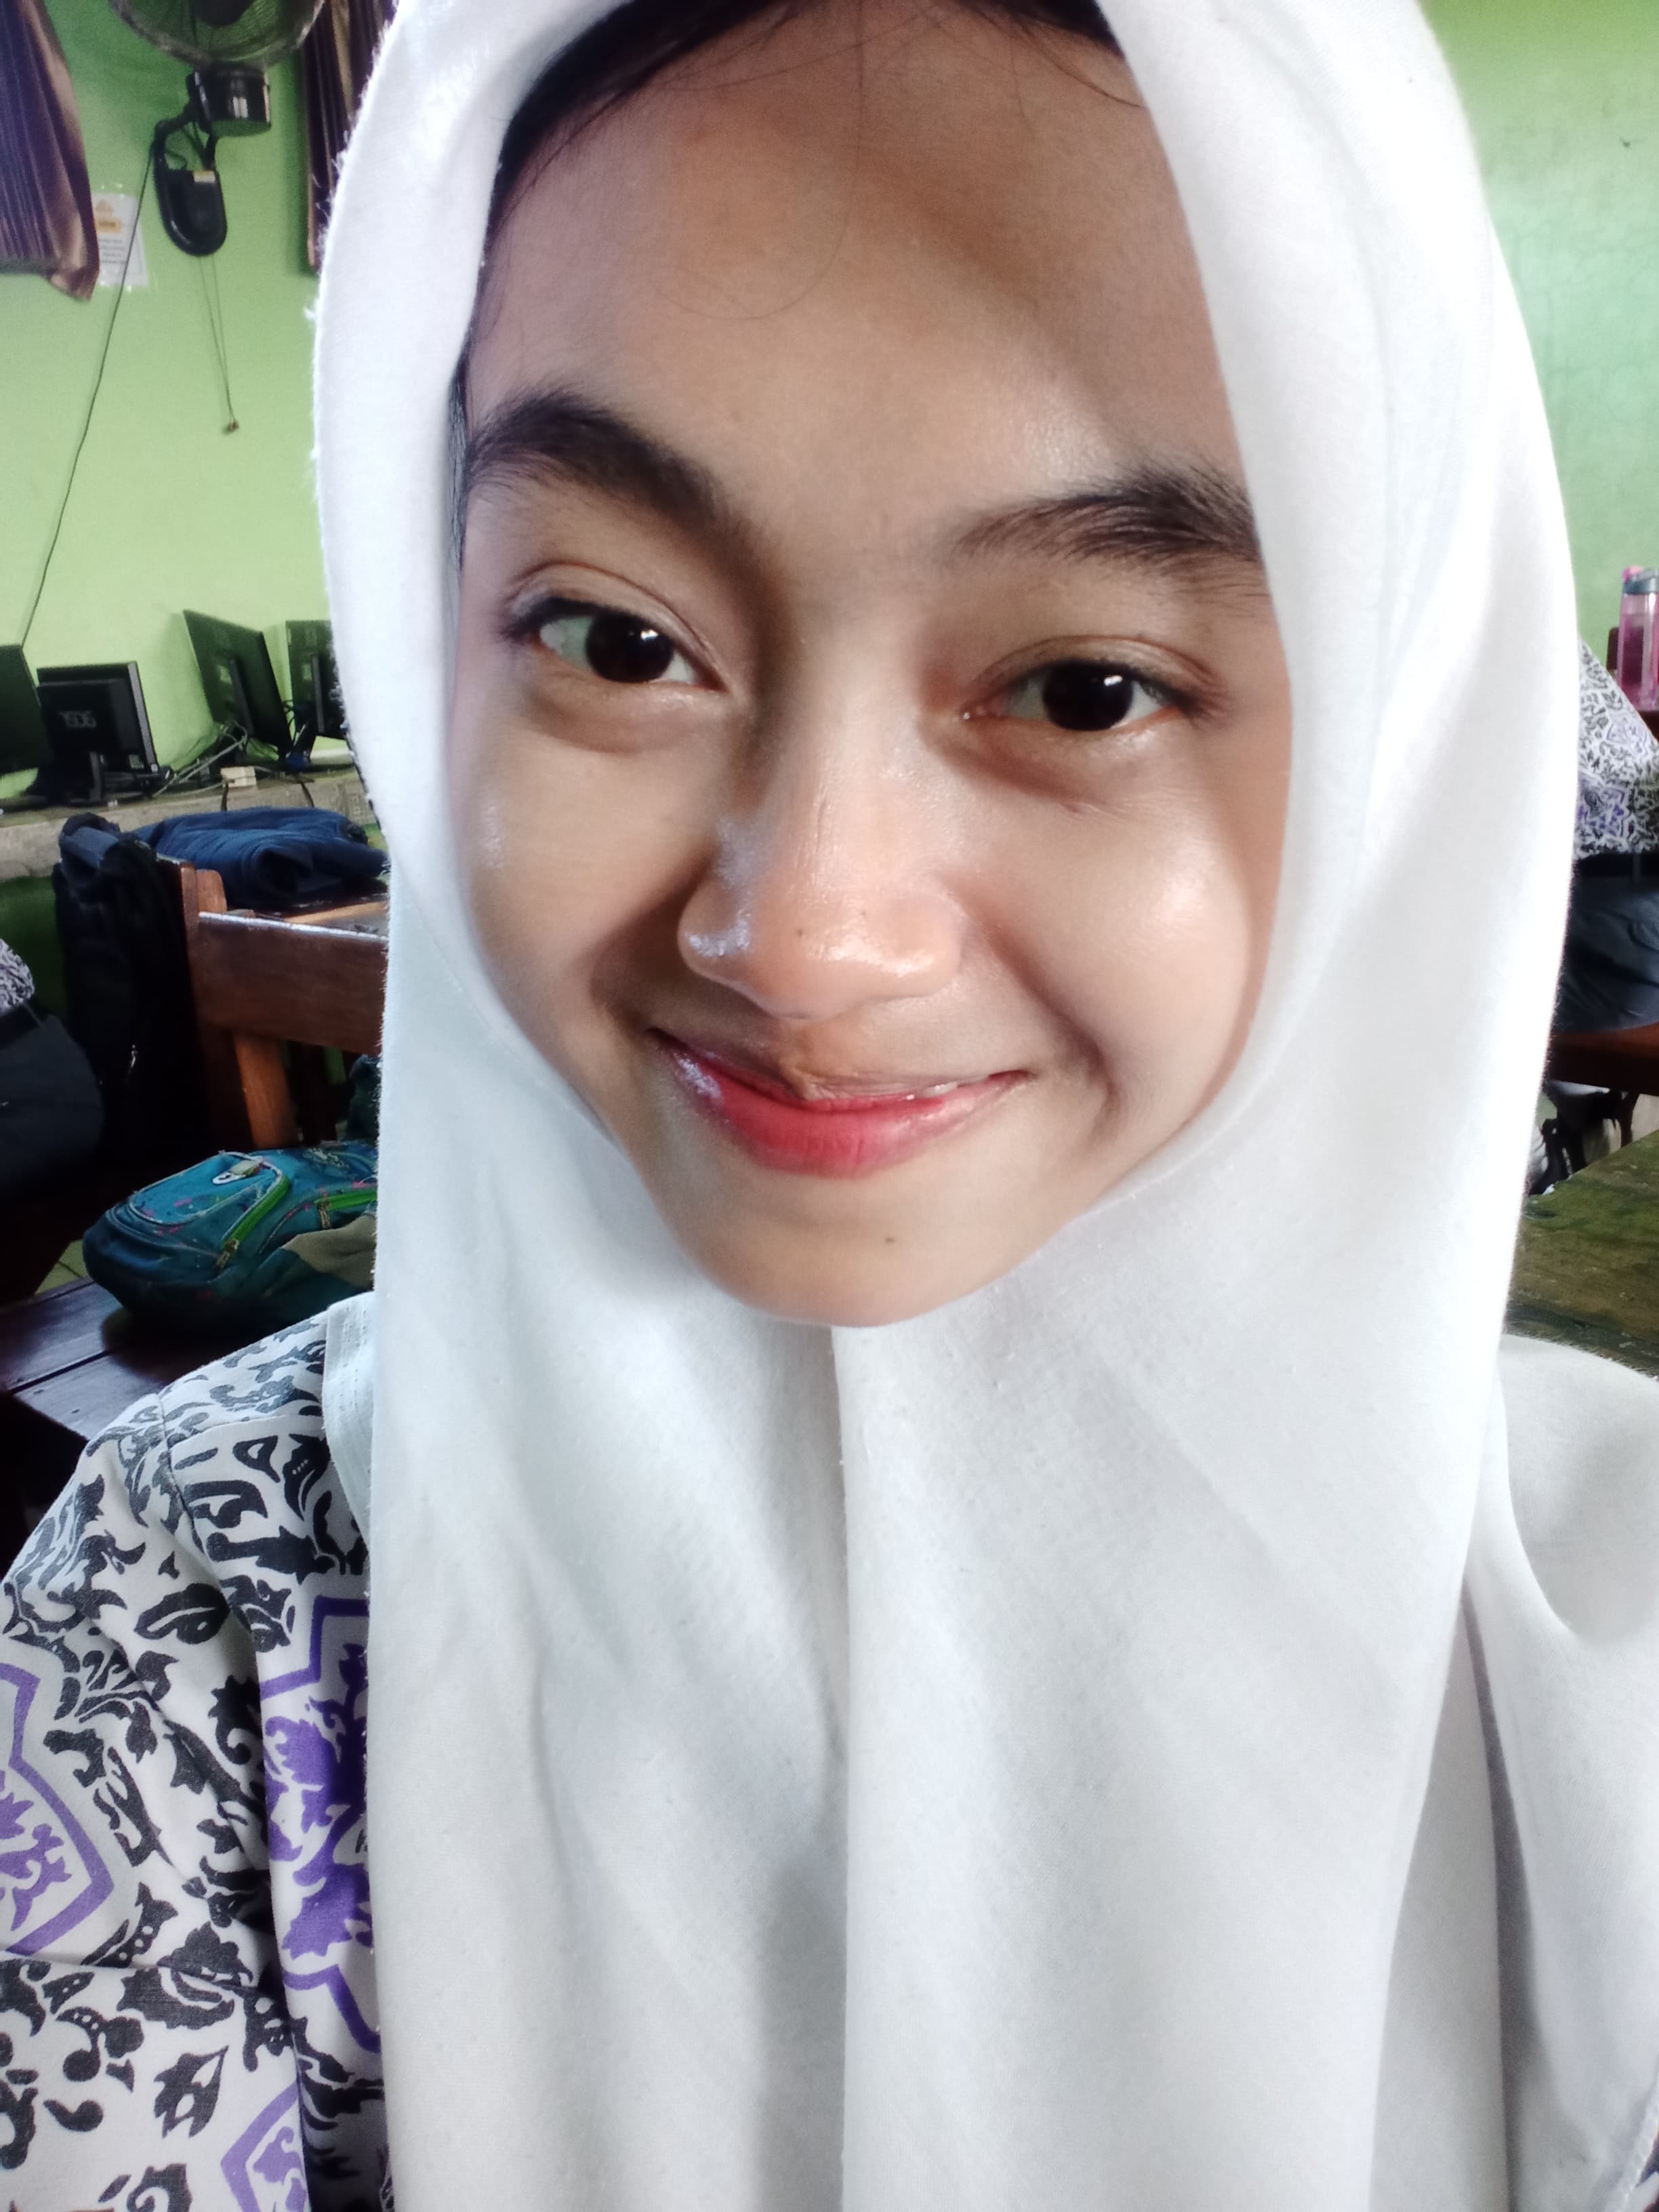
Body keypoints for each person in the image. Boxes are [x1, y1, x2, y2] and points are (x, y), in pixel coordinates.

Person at [3, 2, 1655, 2209]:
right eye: (614, 640)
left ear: (1397, 738)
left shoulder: (1605, 1702)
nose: (804, 934)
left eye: (1086, 686)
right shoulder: (197, 1621)